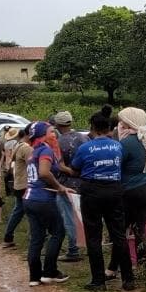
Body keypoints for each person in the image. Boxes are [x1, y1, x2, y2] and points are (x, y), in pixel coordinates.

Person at [70, 112, 133, 291]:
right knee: (118, 235)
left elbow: (75, 169)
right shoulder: (118, 146)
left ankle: (98, 281)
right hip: (114, 190)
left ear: (92, 128)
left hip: (92, 191)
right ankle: (128, 279)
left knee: (94, 236)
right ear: (109, 128)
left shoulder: (85, 148)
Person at [22, 121, 70, 287]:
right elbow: (43, 172)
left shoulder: (33, 151)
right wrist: (60, 187)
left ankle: (34, 276)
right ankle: (50, 272)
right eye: (51, 131)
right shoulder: (45, 150)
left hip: (29, 198)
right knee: (58, 232)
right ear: (42, 135)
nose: (54, 134)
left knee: (37, 237)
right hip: (43, 199)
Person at [112, 107, 146, 274]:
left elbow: (117, 166)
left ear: (128, 122)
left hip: (129, 191)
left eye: (122, 121)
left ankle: (116, 267)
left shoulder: (126, 143)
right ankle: (143, 263)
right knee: (140, 229)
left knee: (120, 231)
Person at [53, 111, 85, 262]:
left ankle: (73, 249)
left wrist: (70, 171)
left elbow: (58, 165)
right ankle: (87, 245)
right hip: (84, 184)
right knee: (82, 217)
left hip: (66, 184)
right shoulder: (83, 138)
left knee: (69, 218)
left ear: (57, 125)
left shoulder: (59, 142)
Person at [1, 126, 32, 248]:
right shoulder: (26, 148)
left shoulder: (18, 146)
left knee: (18, 211)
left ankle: (8, 236)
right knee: (29, 212)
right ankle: (32, 238)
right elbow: (32, 165)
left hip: (19, 183)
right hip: (25, 184)